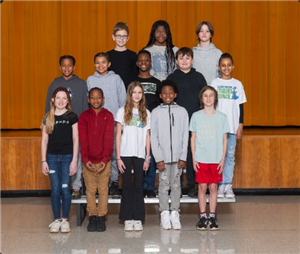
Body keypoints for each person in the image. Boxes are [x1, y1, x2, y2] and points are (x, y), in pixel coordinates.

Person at [45, 55, 88, 199]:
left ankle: (76, 187)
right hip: (58, 128)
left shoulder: (82, 84)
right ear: (60, 67)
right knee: (61, 158)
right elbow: (48, 108)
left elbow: (85, 106)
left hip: (76, 126)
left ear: (74, 67)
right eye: (64, 65)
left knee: (77, 155)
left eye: (70, 65)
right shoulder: (54, 84)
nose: (67, 68)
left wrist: (83, 125)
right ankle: (61, 187)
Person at [167, 47, 207, 198]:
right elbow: (167, 98)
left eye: (187, 58)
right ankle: (174, 184)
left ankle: (192, 184)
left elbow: (204, 99)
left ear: (192, 60)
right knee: (176, 151)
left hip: (194, 122)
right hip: (176, 122)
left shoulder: (198, 77)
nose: (184, 61)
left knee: (191, 153)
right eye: (181, 58)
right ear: (176, 61)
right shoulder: (172, 78)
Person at [87, 52, 126, 198]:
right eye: (97, 62)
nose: (100, 65)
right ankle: (97, 182)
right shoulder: (90, 79)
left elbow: (123, 100)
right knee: (98, 151)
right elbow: (89, 101)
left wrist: (121, 121)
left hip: (114, 123)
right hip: (97, 124)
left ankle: (114, 182)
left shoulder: (116, 79)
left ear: (109, 64)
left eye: (103, 62)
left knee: (114, 152)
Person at [151, 80, 189, 230]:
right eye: (164, 92)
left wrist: (183, 156)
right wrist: (158, 157)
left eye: (170, 92)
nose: (168, 95)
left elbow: (185, 135)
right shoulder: (156, 112)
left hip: (178, 158)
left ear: (175, 94)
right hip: (163, 158)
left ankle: (175, 212)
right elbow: (153, 137)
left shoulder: (182, 112)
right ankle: (164, 213)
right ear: (160, 95)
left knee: (176, 185)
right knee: (163, 185)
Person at [190, 86, 229, 231]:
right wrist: (194, 158)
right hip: (201, 158)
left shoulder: (222, 117)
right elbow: (193, 138)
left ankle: (212, 216)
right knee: (202, 187)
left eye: (211, 95)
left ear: (215, 98)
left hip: (216, 159)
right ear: (201, 98)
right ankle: (202, 217)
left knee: (213, 187)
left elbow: (225, 140)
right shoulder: (196, 116)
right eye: (205, 95)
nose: (208, 98)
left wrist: (223, 159)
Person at [41, 87, 79, 233]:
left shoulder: (72, 117)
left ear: (68, 101)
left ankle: (65, 220)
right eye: (58, 98)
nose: (61, 101)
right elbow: (44, 141)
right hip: (51, 158)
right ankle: (56, 219)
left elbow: (76, 139)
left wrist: (74, 160)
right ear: (53, 100)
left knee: (65, 188)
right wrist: (43, 161)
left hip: (67, 157)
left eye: (64, 98)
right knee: (55, 189)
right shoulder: (47, 117)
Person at [115, 81, 151, 231]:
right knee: (127, 186)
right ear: (129, 94)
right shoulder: (122, 111)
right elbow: (118, 135)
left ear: (142, 95)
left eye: (139, 92)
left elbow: (148, 136)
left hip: (140, 154)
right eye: (134, 92)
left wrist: (148, 157)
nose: (137, 95)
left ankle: (138, 217)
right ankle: (127, 218)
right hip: (125, 153)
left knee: (138, 185)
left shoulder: (146, 113)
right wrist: (118, 157)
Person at [211, 53, 247, 198]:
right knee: (218, 156)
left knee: (230, 156)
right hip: (218, 128)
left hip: (232, 127)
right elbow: (210, 104)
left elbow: (241, 106)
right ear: (219, 67)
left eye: (228, 65)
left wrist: (241, 124)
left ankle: (228, 185)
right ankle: (219, 185)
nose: (226, 68)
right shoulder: (214, 83)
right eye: (223, 65)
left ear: (233, 66)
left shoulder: (237, 84)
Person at [78, 87, 114, 232]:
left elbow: (108, 138)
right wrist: (86, 159)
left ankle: (101, 217)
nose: (96, 100)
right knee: (91, 191)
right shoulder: (84, 117)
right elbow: (83, 139)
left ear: (103, 99)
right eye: (92, 97)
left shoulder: (109, 116)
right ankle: (92, 216)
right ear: (88, 100)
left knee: (103, 190)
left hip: (104, 161)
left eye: (98, 97)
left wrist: (105, 160)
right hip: (89, 162)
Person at [135, 49, 161, 198]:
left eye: (146, 60)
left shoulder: (157, 83)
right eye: (141, 60)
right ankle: (139, 186)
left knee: (150, 156)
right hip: (136, 125)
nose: (144, 63)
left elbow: (158, 104)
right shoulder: (132, 81)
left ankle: (149, 187)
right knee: (138, 157)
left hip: (151, 126)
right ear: (137, 63)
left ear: (150, 62)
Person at [107, 22, 138, 90]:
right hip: (113, 90)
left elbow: (135, 75)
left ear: (128, 38)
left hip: (129, 92)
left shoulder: (133, 55)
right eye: (118, 36)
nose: (121, 39)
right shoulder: (107, 56)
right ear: (113, 37)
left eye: (124, 36)